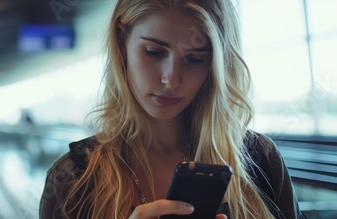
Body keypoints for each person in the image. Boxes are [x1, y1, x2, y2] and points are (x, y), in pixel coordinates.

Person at [40, 0, 305, 218]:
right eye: (154, 52)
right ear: (122, 41)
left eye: (194, 59)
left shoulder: (260, 160)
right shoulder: (73, 179)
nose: (172, 80)